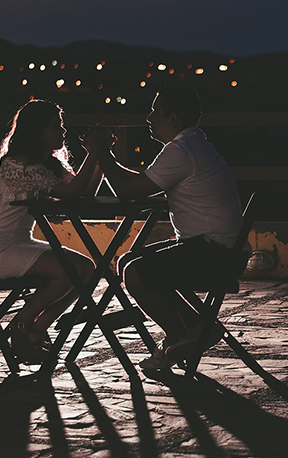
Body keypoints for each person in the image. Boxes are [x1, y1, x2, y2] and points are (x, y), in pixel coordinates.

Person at [86, 83, 244, 372]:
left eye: (154, 112)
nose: (148, 118)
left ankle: (179, 336)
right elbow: (141, 182)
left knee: (135, 273)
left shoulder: (181, 151)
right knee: (128, 261)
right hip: (219, 249)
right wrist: (108, 156)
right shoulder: (191, 145)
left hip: (214, 254)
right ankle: (197, 326)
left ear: (172, 118)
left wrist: (102, 152)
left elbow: (126, 190)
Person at [0, 99, 104, 364]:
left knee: (87, 270)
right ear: (37, 131)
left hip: (19, 244)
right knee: (66, 272)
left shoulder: (45, 166)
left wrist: (100, 156)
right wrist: (95, 153)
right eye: (56, 126)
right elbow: (74, 192)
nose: (63, 131)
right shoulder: (19, 166)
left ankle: (38, 327)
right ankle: (21, 327)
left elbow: (84, 191)